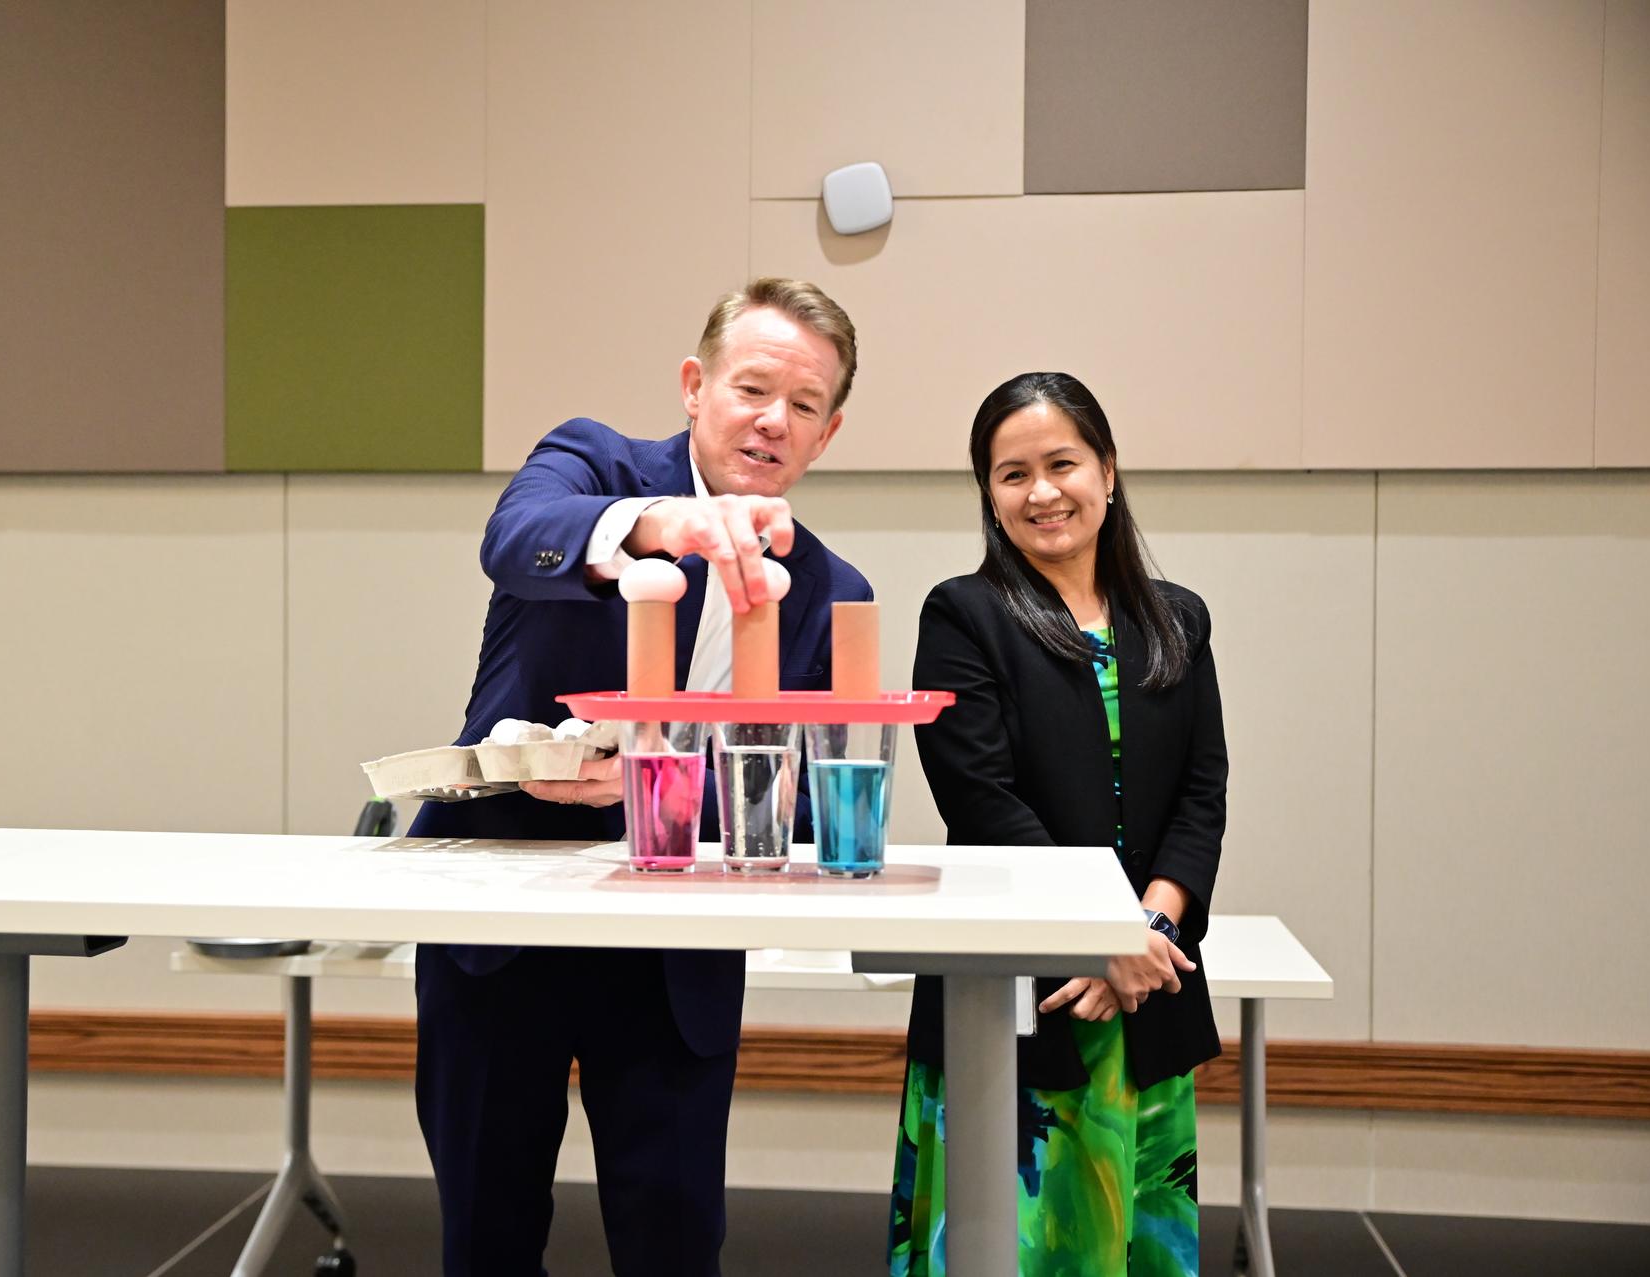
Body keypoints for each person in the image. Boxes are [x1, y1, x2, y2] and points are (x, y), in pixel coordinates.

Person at [408, 278, 873, 1276]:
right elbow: (514, 539)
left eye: (803, 404)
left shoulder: (829, 592)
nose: (773, 420)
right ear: (695, 386)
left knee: (675, 1243)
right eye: (752, 388)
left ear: (827, 433)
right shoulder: (592, 462)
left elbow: (795, 812)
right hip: (503, 918)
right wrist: (665, 526)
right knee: (484, 1236)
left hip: (674, 952)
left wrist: (664, 787)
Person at [888, 372, 1226, 1276]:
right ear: (989, 494)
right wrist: (1096, 934)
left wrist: (1146, 931)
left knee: (1136, 1239)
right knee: (1019, 1245)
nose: (1041, 491)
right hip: (1021, 989)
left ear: (1107, 471)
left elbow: (1203, 793)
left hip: (1148, 983)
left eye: (1062, 463)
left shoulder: (1178, 619)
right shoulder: (963, 615)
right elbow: (982, 799)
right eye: (1012, 474)